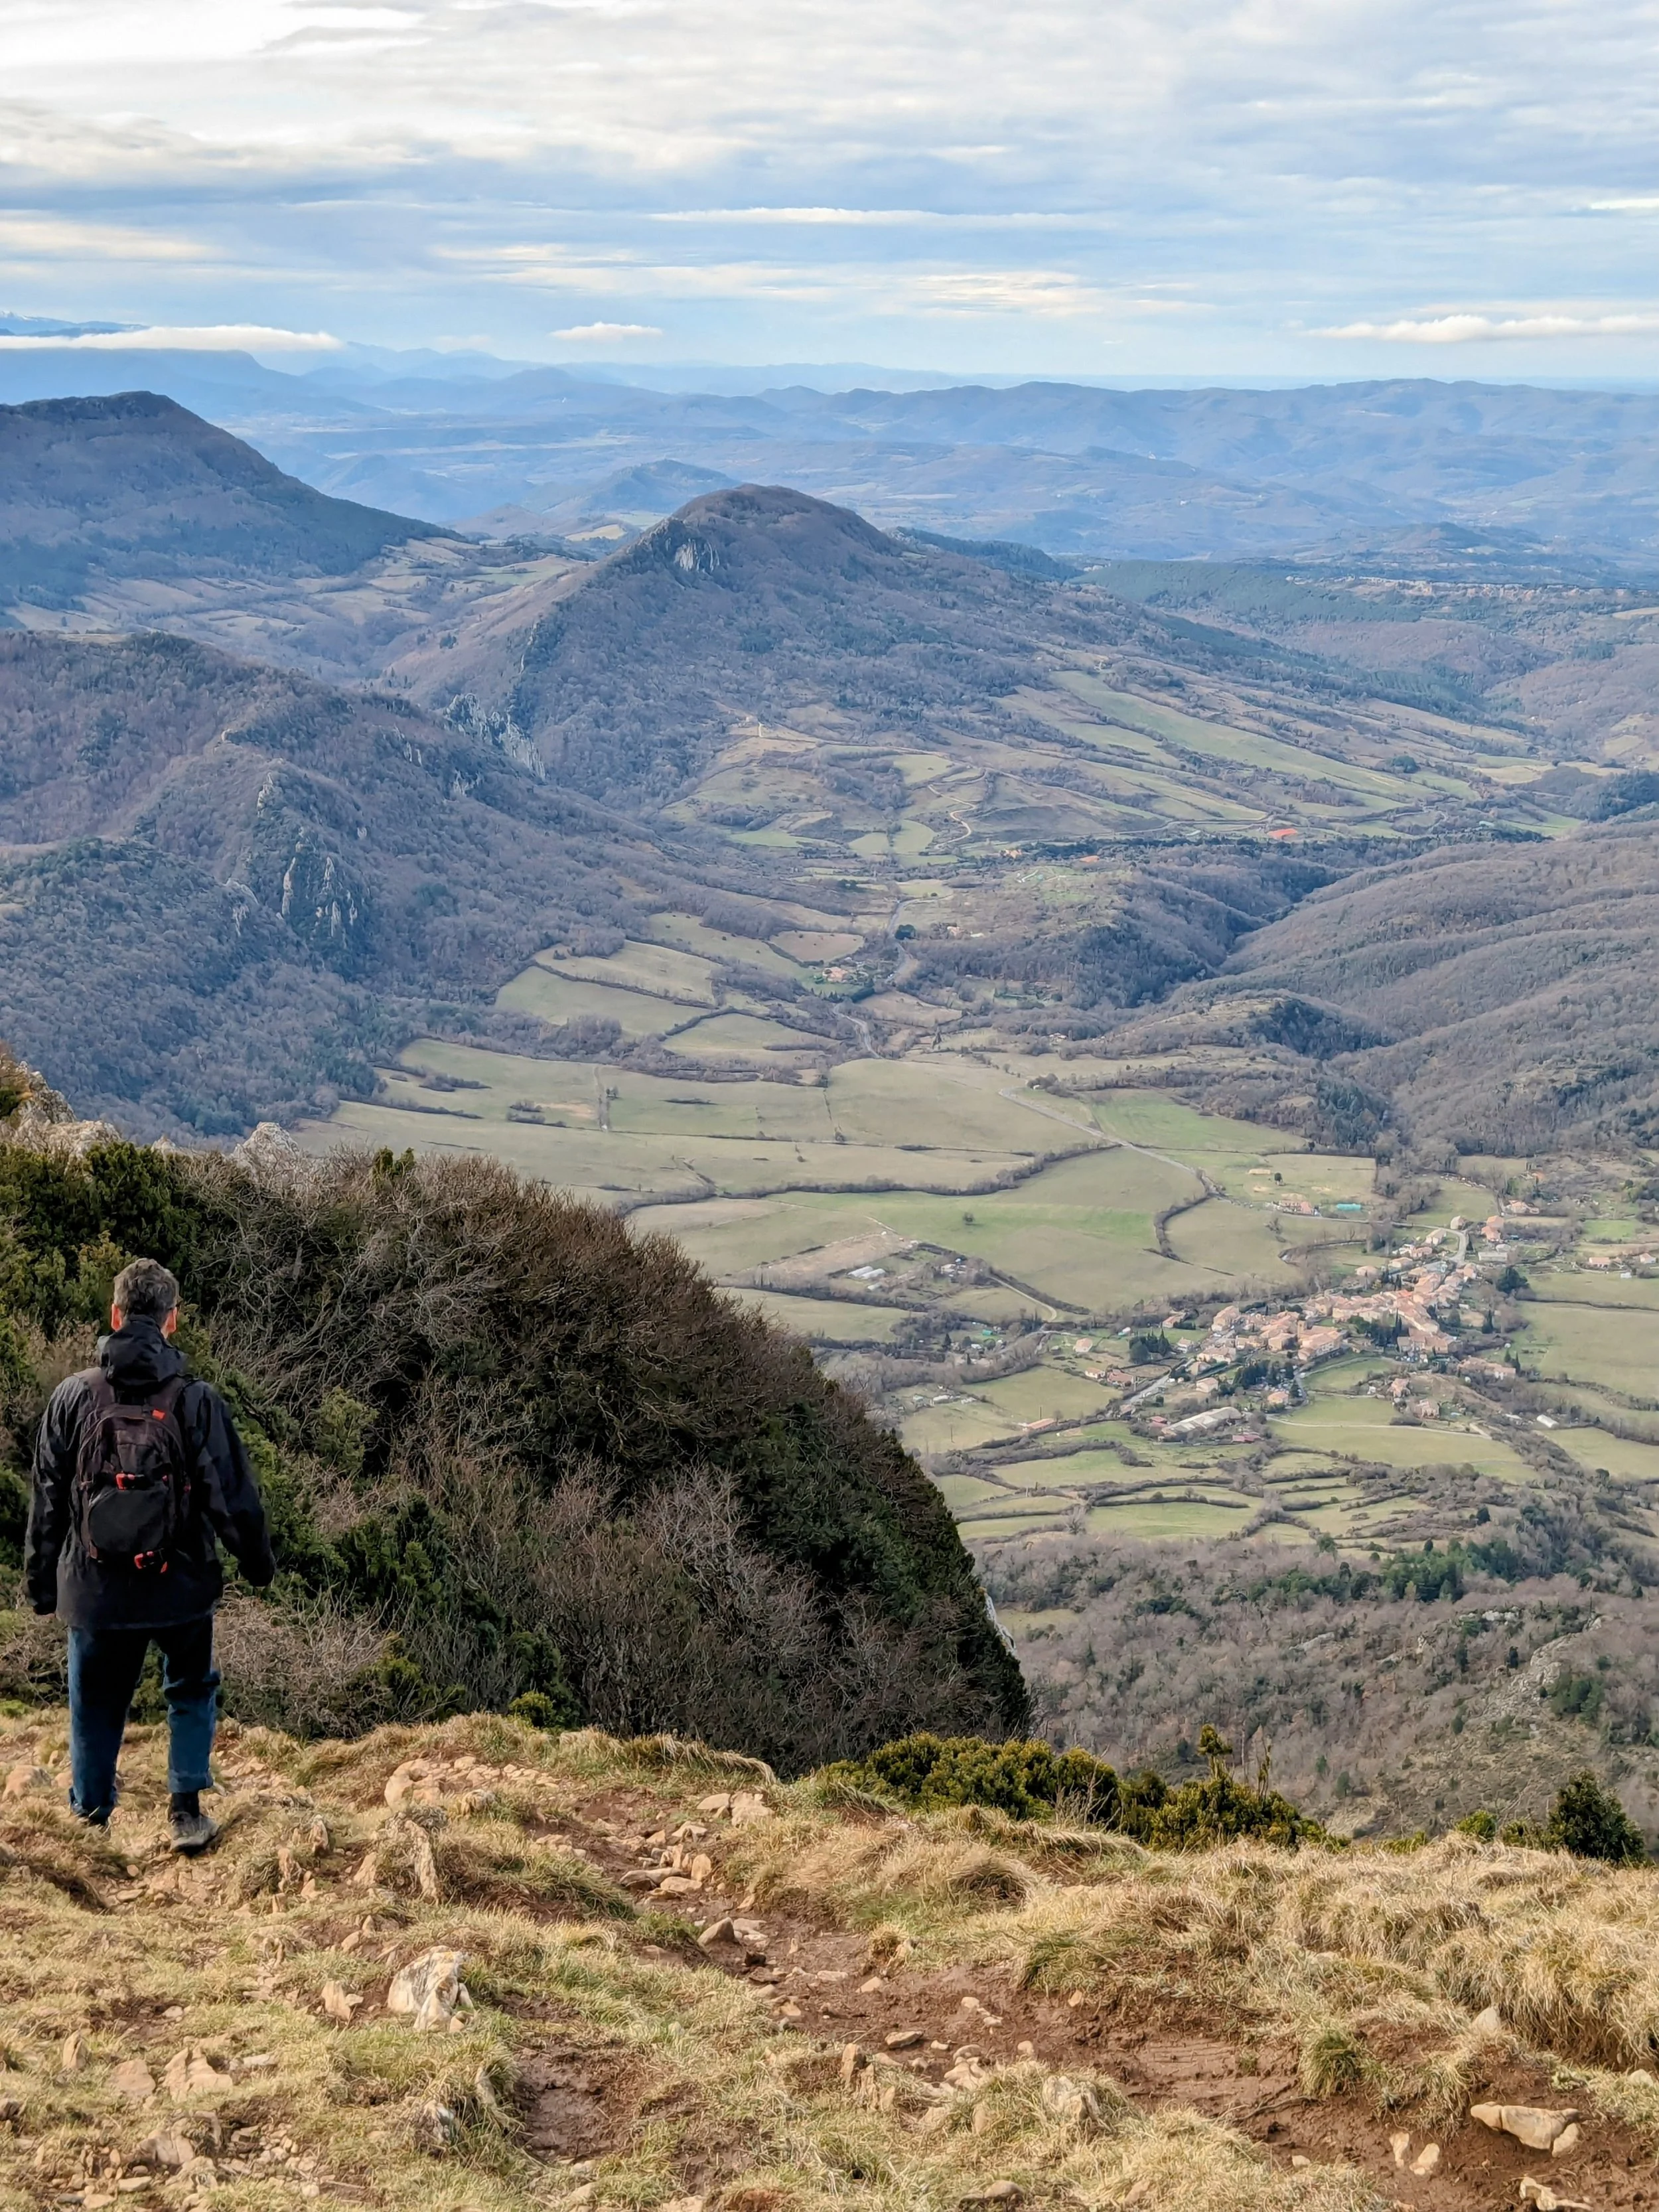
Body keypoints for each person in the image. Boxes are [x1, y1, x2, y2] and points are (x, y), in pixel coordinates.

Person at [25, 1257, 276, 1852]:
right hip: (179, 1586)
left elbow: (48, 1499)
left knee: (94, 1698)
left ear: (115, 1315)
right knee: (190, 1684)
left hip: (94, 1589)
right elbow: (231, 1494)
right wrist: (256, 1561)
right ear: (172, 1321)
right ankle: (186, 1811)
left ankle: (90, 1816)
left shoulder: (72, 1396)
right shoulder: (196, 1400)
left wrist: (42, 1586)